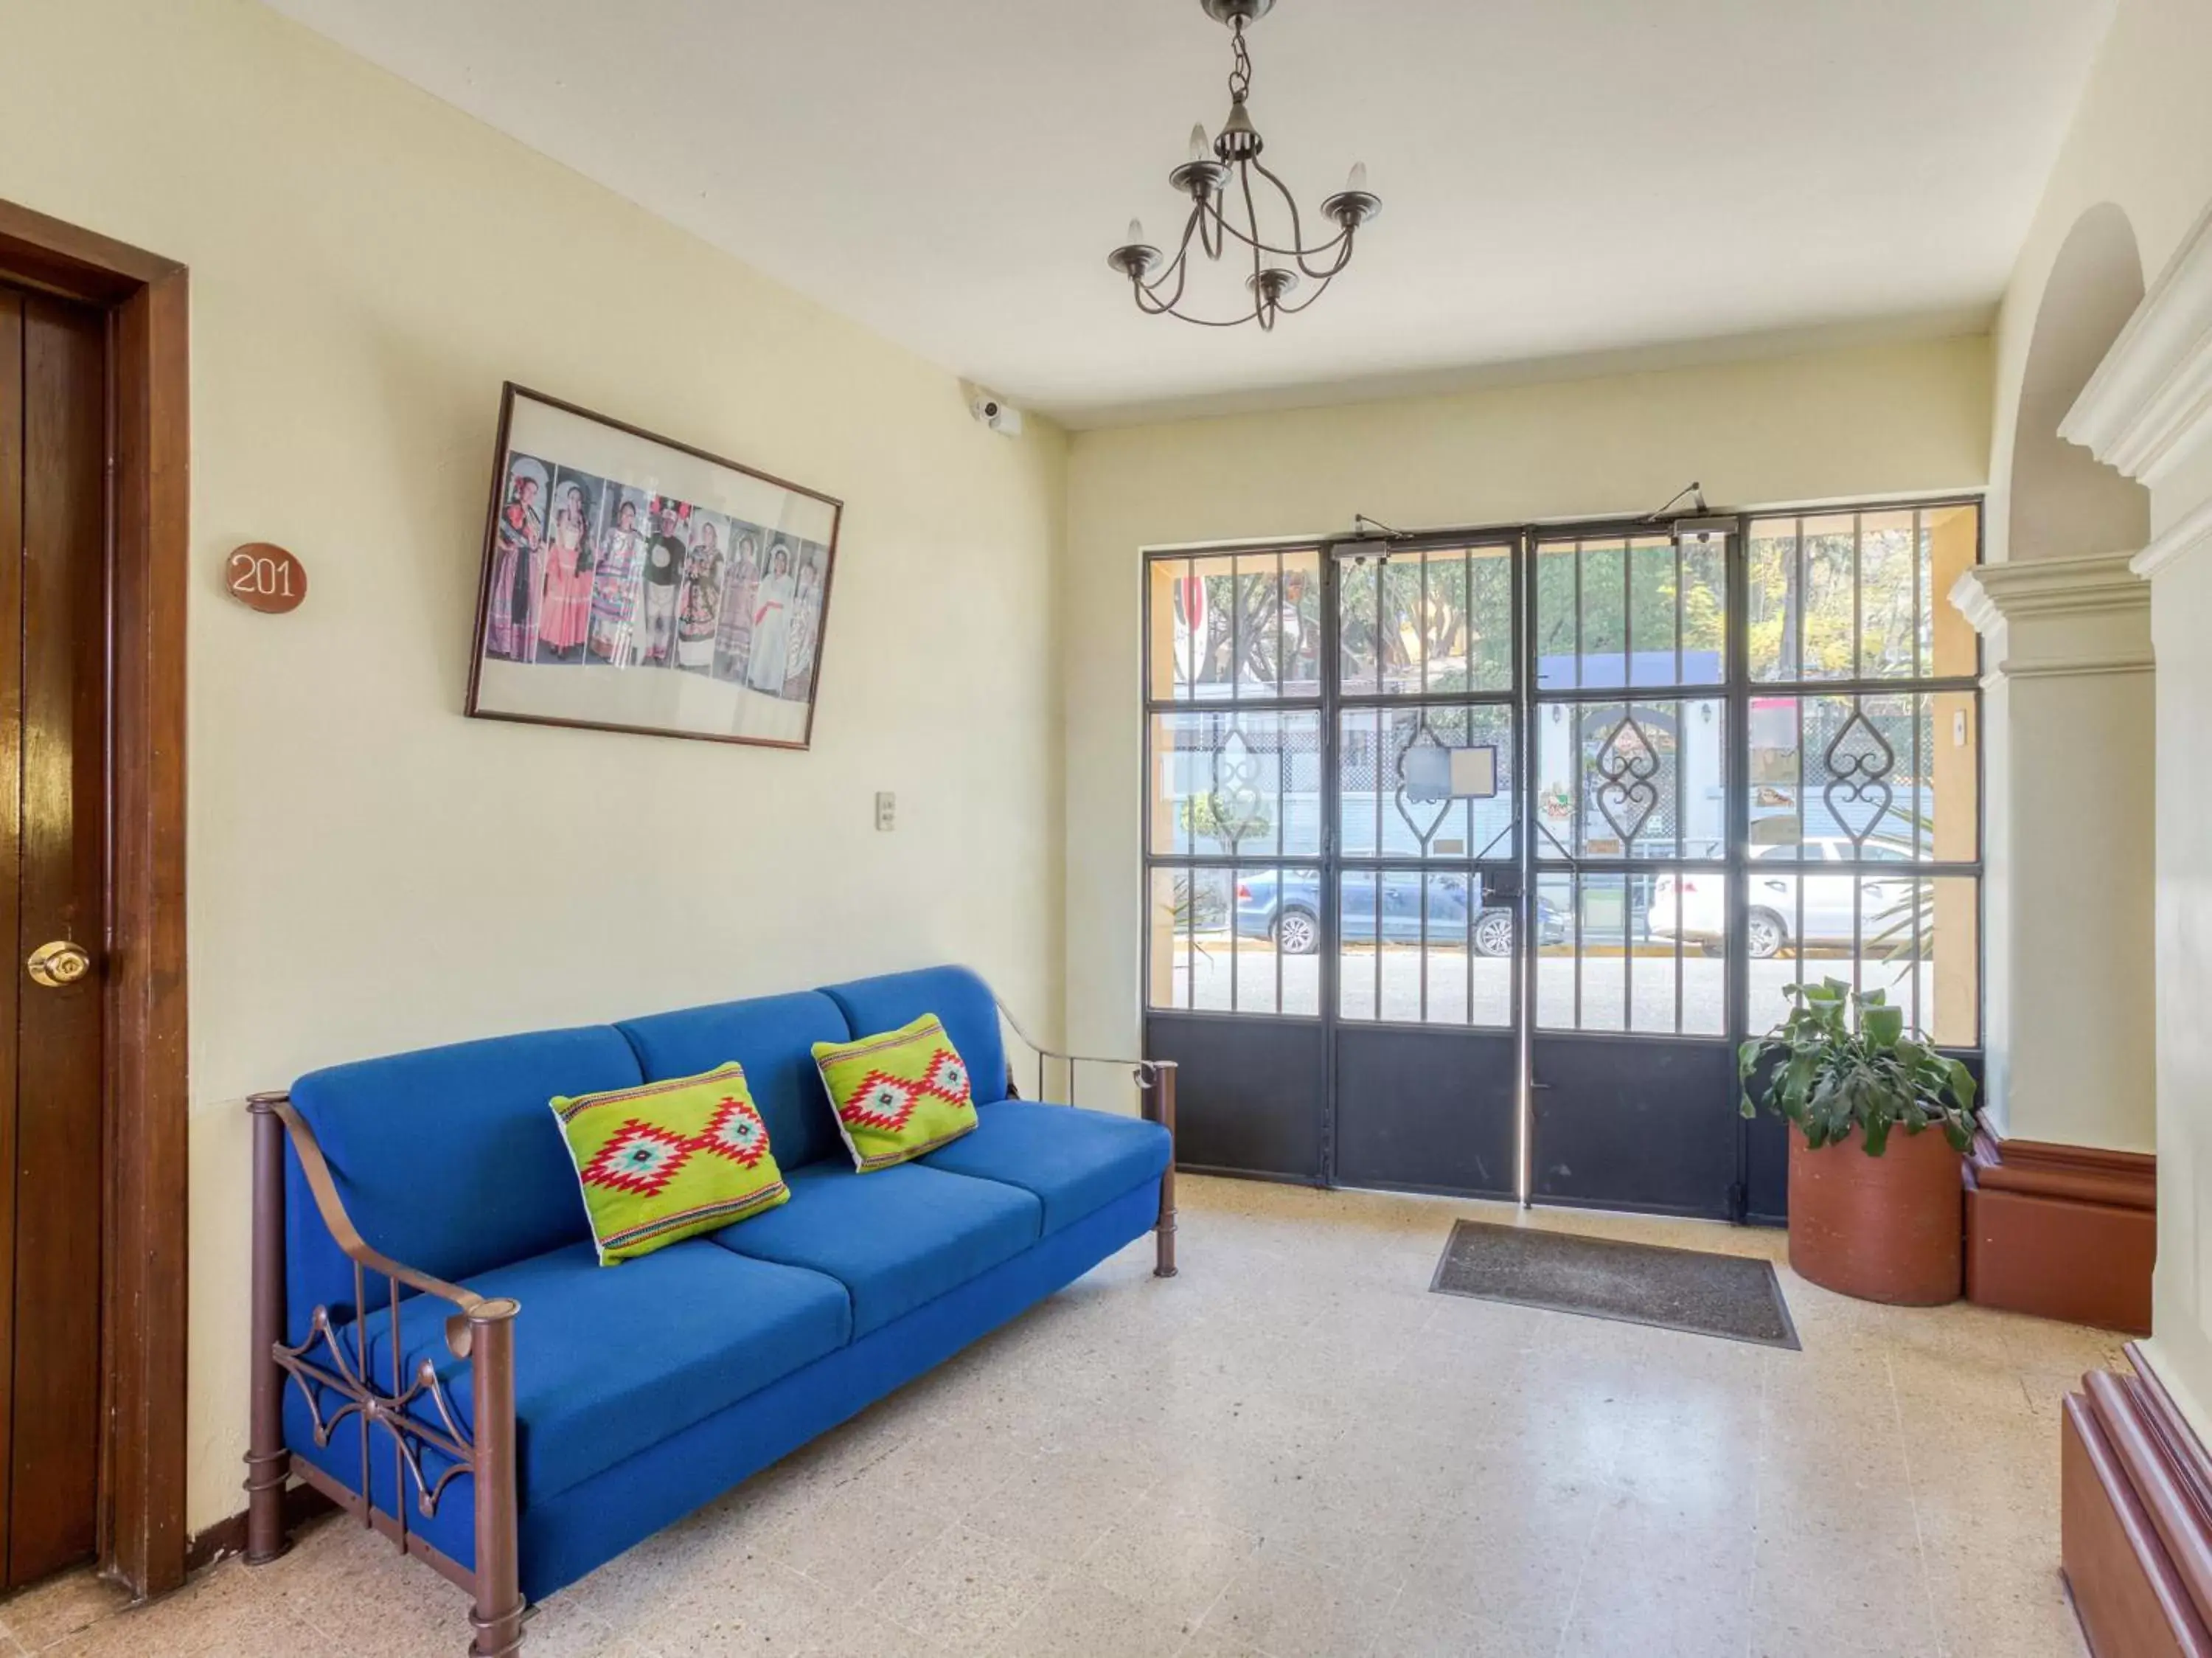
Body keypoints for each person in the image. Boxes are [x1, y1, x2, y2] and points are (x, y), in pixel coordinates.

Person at [487, 468, 544, 660]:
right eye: (529, 490)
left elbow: (536, 538)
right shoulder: (512, 509)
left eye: (535, 492)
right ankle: (504, 644)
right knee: (510, 599)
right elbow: (495, 528)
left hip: (529, 563)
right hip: (515, 562)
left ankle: (518, 646)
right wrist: (504, 545)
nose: (531, 495)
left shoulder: (533, 514)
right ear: (521, 489)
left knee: (525, 602)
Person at [535, 480, 596, 662]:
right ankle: (554, 641)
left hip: (574, 566)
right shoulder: (561, 516)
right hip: (561, 563)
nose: (575, 503)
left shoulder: (584, 521)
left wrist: (592, 553)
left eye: (578, 500)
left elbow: (582, 545)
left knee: (569, 606)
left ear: (581, 503)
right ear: (568, 500)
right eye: (572, 498)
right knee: (558, 605)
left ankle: (563, 645)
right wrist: (555, 567)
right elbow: (559, 541)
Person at [588, 496, 647, 665]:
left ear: (634, 518)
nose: (627, 518)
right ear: (620, 515)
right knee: (603, 616)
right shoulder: (611, 532)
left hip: (624, 580)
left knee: (617, 618)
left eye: (630, 515)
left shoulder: (637, 537)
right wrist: (594, 547)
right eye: (625, 514)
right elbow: (603, 552)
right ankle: (598, 648)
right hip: (608, 577)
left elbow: (640, 560)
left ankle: (612, 652)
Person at [675, 520, 726, 673]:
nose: (706, 535)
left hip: (706, 594)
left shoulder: (718, 555)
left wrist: (702, 573)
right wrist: (688, 568)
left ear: (714, 536)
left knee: (704, 626)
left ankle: (701, 661)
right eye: (704, 532)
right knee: (688, 625)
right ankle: (686, 660)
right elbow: (688, 566)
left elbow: (718, 578)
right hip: (691, 592)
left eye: (709, 532)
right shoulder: (696, 549)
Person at [641, 503, 687, 666]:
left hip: (669, 590)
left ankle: (661, 654)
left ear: (675, 525)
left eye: (671, 523)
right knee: (650, 621)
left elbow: (684, 566)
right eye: (665, 521)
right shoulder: (653, 538)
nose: (667, 525)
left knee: (666, 624)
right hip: (652, 587)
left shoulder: (680, 546)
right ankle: (648, 653)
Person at [746, 544, 796, 693]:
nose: (779, 563)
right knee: (763, 647)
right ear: (774, 561)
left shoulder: (789, 582)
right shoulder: (768, 578)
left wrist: (785, 621)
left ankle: (771, 683)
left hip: (779, 619)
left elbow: (789, 603)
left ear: (786, 564)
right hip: (766, 618)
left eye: (783, 561)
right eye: (777, 560)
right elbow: (761, 595)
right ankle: (759, 679)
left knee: (775, 649)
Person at [714, 532, 760, 684]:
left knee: (740, 639)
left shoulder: (754, 571)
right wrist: (723, 608)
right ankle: (730, 662)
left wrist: (752, 613)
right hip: (731, 608)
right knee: (730, 638)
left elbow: (754, 594)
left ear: (751, 552)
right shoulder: (732, 568)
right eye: (742, 548)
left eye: (747, 549)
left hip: (743, 610)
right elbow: (726, 588)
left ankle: (737, 665)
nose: (744, 552)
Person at [781, 550, 824, 701]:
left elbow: (813, 615)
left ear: (814, 577)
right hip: (796, 629)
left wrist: (813, 631)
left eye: (809, 574)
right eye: (804, 574)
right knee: (791, 653)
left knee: (802, 655)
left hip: (806, 630)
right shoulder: (801, 591)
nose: (806, 577)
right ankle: (789, 681)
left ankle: (798, 685)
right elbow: (795, 610)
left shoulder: (814, 593)